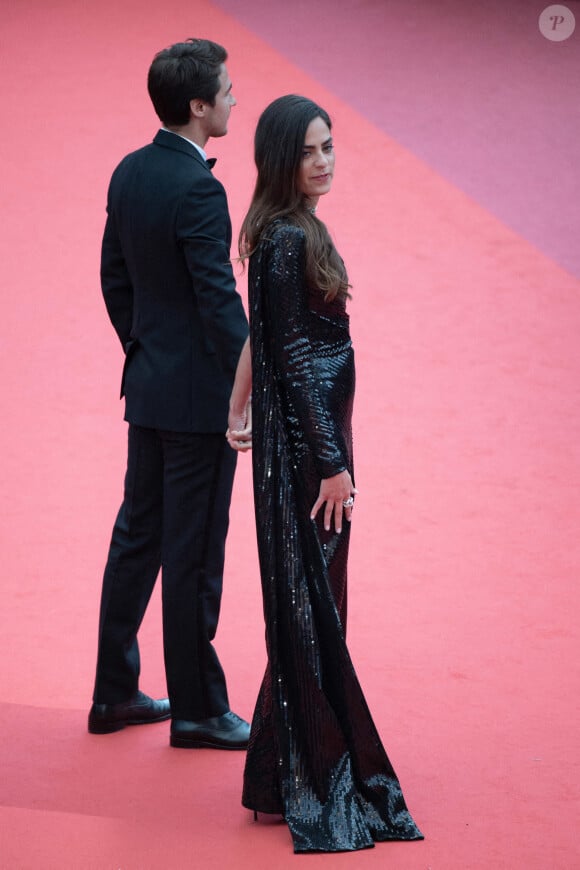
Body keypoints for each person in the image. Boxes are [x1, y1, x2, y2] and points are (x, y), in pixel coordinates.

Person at [227, 95, 423, 851]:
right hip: (313, 461)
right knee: (314, 613)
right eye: (310, 151)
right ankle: (316, 774)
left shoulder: (289, 232)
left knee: (310, 609)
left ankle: (275, 773)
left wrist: (236, 404)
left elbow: (263, 334)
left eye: (331, 147)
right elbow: (300, 359)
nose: (325, 161)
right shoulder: (285, 241)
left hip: (311, 445)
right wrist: (333, 468)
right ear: (281, 158)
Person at [88, 38, 250, 751]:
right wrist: (252, 385)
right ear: (198, 105)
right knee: (191, 554)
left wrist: (145, 350)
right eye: (227, 89)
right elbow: (220, 304)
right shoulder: (200, 190)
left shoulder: (129, 172)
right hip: (199, 407)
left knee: (137, 541)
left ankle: (114, 693)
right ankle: (198, 709)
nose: (234, 98)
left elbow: (114, 279)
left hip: (149, 391)